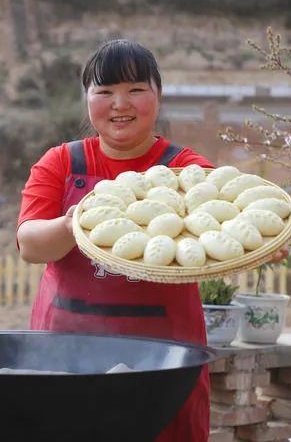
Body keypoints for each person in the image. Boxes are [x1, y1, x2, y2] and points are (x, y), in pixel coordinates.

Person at [17, 39, 212, 441]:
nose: (119, 104)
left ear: (157, 95)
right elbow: (30, 244)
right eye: (104, 91)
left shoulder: (185, 168)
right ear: (87, 99)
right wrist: (70, 226)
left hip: (164, 358)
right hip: (66, 349)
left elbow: (223, 218)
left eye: (135, 90)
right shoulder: (62, 162)